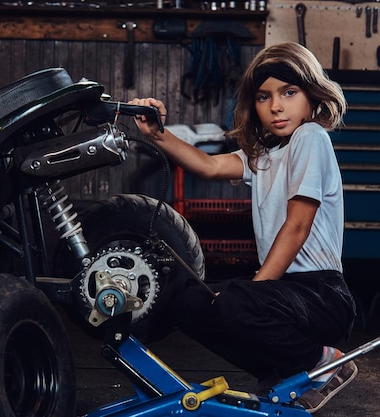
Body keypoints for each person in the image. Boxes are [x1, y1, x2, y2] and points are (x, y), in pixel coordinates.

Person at [129, 41, 357, 413]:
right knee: (187, 301)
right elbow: (210, 166)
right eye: (264, 97)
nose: (276, 106)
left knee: (233, 305)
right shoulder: (265, 155)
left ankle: (325, 360)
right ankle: (281, 370)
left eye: (289, 92)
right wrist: (156, 133)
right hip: (284, 295)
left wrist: (253, 294)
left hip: (322, 296)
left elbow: (297, 226)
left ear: (312, 96)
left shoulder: (310, 137)